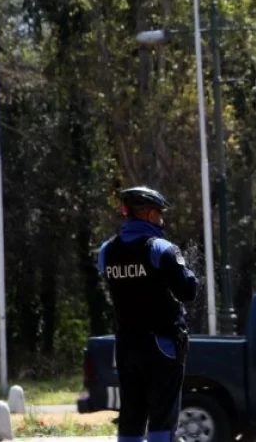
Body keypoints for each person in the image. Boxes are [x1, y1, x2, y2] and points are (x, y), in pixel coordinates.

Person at [98, 186, 199, 442]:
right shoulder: (161, 249)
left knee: (131, 416)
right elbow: (187, 291)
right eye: (160, 214)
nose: (162, 220)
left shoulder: (106, 251)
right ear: (149, 214)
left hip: (126, 346)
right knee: (162, 416)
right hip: (161, 345)